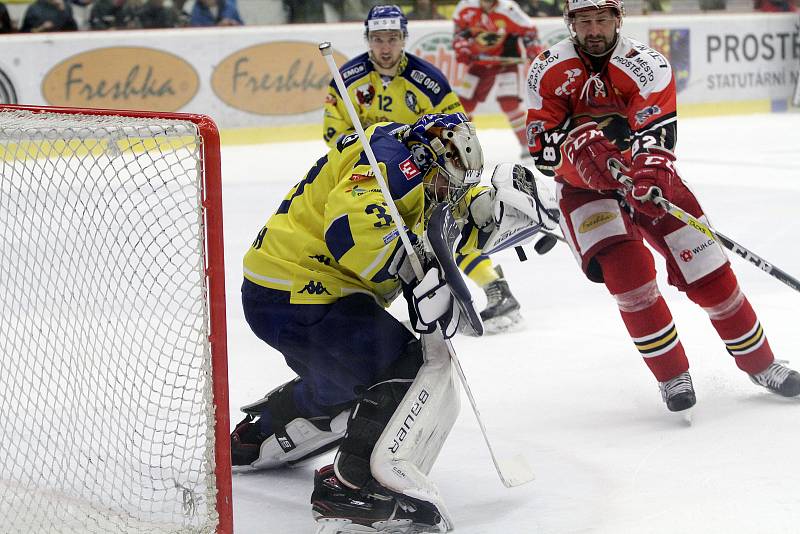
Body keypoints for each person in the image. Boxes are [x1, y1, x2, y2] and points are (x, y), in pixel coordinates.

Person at [230, 111, 557, 531]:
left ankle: (260, 435)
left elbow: (438, 219)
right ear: (424, 156)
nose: (451, 189)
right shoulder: (389, 163)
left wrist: (491, 214)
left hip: (286, 290)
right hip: (297, 293)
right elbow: (351, 233)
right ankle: (353, 488)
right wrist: (415, 267)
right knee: (402, 368)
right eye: (447, 178)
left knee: (349, 378)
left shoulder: (409, 159)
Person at [524, 0, 800, 412]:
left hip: (647, 180)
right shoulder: (546, 69)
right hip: (583, 190)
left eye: (602, 20)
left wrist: (648, 175)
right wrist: (576, 154)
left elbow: (656, 136)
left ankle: (761, 363)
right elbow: (543, 149)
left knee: (711, 275)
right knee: (629, 280)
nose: (594, 29)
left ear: (618, 20)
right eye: (584, 21)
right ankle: (673, 376)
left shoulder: (647, 65)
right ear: (571, 24)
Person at [324, 4, 527, 334]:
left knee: (449, 227)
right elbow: (333, 132)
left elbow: (459, 125)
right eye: (378, 39)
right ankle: (364, 306)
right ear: (368, 40)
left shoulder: (428, 81)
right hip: (370, 175)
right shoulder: (348, 79)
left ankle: (495, 287)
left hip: (427, 173)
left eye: (392, 38)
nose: (385, 47)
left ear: (403, 38)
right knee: (365, 234)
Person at [452, 0, 542, 159]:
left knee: (509, 104)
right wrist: (462, 46)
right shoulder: (466, 6)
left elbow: (529, 30)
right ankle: (459, 146)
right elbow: (460, 31)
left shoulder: (509, 9)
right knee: (463, 104)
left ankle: (528, 145)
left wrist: (532, 49)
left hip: (505, 62)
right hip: (480, 63)